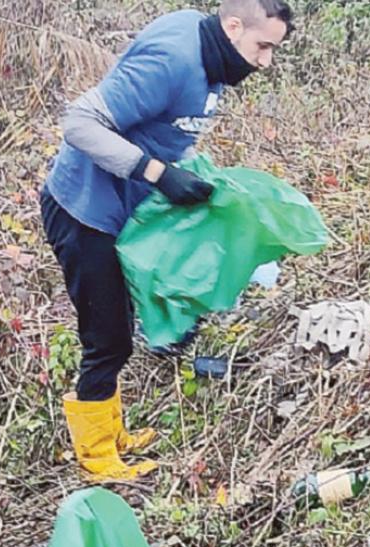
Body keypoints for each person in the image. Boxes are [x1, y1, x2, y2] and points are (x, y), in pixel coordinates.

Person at [40, 0, 294, 481]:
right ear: (233, 26)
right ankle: (96, 457)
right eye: (262, 47)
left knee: (118, 328)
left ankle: (113, 434)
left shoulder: (215, 57)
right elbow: (79, 124)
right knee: (107, 338)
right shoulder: (174, 58)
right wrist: (157, 173)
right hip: (83, 211)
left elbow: (168, 130)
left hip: (122, 211)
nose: (265, 61)